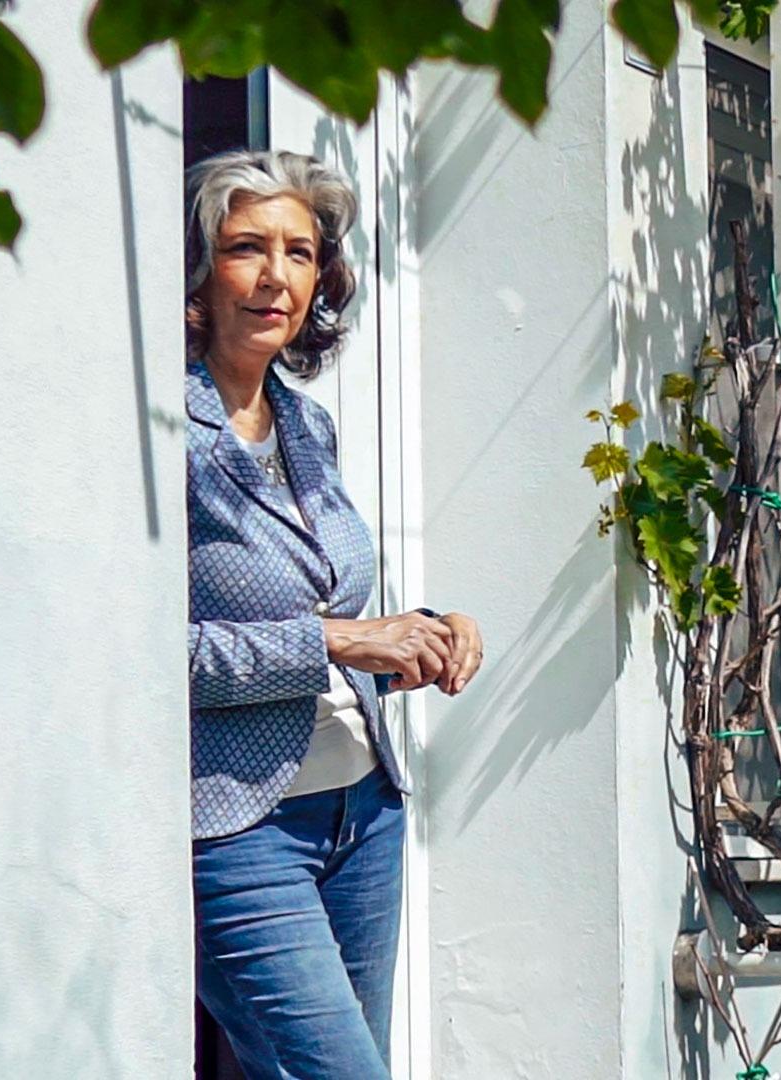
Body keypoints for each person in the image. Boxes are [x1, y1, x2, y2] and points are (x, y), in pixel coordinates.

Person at [184, 149, 483, 1079]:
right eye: (246, 248)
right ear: (198, 272)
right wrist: (339, 640)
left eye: (300, 253)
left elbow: (320, 597)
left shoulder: (306, 423)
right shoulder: (156, 431)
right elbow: (136, 653)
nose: (277, 276)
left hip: (364, 810)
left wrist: (420, 633)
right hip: (242, 828)